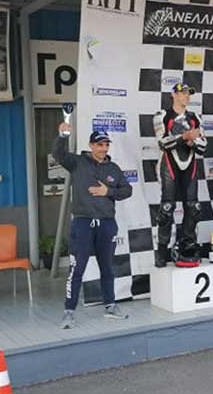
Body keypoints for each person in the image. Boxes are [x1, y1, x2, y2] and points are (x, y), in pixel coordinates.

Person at [53, 124, 133, 329]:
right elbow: (58, 154)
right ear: (91, 145)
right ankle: (69, 312)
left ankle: (110, 306)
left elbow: (127, 190)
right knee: (77, 269)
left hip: (106, 223)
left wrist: (108, 192)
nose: (103, 148)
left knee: (107, 268)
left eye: (106, 145)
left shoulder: (113, 168)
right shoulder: (77, 162)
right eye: (99, 145)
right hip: (83, 223)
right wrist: (62, 135)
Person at [153, 83, 207, 268]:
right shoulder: (162, 115)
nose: (186, 96)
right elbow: (162, 143)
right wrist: (185, 137)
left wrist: (193, 143)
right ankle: (162, 251)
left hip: (190, 165)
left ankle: (187, 247)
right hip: (169, 165)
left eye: (188, 93)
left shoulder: (195, 117)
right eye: (182, 93)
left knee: (193, 207)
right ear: (173, 95)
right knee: (167, 208)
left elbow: (203, 147)